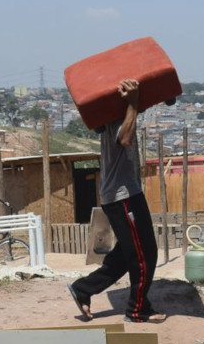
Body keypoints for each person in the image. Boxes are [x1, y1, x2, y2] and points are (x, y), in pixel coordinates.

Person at [68, 78, 164, 323]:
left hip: (123, 195)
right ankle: (137, 309)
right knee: (145, 254)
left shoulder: (111, 113)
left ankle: (83, 289)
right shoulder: (119, 116)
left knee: (126, 254)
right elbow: (126, 140)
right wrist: (132, 103)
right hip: (124, 197)